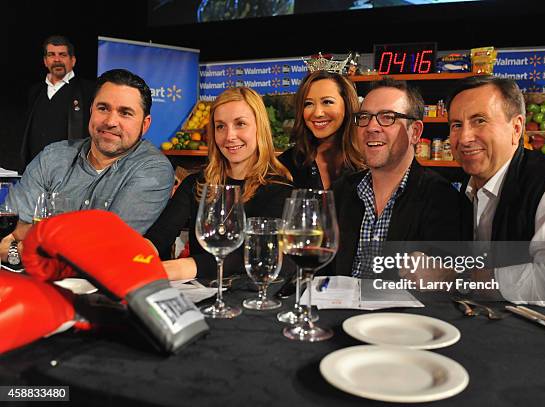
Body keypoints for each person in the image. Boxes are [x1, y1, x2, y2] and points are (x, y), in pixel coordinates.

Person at [447, 75, 545, 302]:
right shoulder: (465, 187)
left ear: (517, 128)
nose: (464, 138)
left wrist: (460, 280)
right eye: (456, 125)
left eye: (480, 121)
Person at [1, 69, 174, 265]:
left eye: (125, 113)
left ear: (145, 124)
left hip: (103, 293)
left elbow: (106, 246)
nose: (110, 121)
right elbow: (9, 226)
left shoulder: (153, 169)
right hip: (30, 285)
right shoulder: (53, 156)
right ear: (91, 110)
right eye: (103, 108)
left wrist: (28, 239)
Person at [145, 87, 294, 281]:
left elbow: (254, 257)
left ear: (260, 127)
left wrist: (182, 267)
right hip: (202, 296)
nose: (229, 136)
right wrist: (136, 258)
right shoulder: (196, 184)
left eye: (240, 124)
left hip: (253, 300)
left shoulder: (280, 190)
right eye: (220, 126)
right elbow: (159, 236)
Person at [332, 78, 467, 278]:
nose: (371, 127)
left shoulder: (445, 201)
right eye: (364, 117)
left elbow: (447, 288)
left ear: (415, 132)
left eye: (388, 117)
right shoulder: (340, 192)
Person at [20, 35, 95, 171]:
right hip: (35, 172)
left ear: (73, 60)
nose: (57, 60)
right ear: (45, 61)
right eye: (51, 55)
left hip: (70, 173)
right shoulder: (35, 91)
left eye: (62, 55)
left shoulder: (89, 91)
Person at [278, 70, 363, 189]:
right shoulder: (285, 165)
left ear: (347, 105)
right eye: (308, 104)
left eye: (327, 102)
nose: (317, 113)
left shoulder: (368, 160)